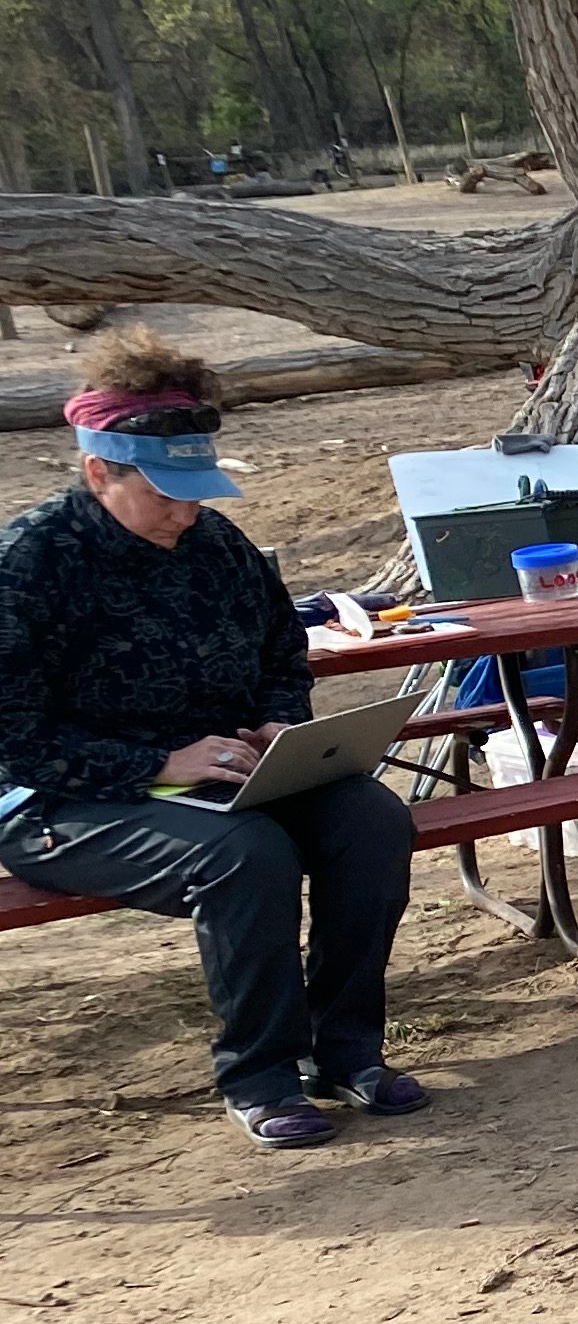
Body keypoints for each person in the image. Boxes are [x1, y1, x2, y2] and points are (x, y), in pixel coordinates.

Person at [0, 332, 426, 1149]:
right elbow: (16, 739)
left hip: (227, 775)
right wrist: (157, 763)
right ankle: (260, 1076)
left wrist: (280, 723)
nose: (186, 510)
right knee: (244, 855)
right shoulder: (30, 563)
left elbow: (280, 655)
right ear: (100, 473)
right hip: (65, 800)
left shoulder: (217, 545)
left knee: (371, 821)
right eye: (166, 492)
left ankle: (346, 1053)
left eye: (197, 490)